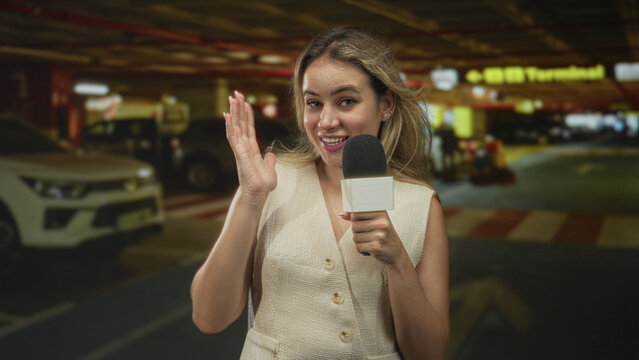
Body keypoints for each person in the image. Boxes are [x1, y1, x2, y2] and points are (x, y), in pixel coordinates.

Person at [191, 27, 449, 360]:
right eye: (314, 103)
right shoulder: (270, 182)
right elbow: (209, 318)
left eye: (346, 101)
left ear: (386, 104)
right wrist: (250, 198)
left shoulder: (421, 205)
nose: (326, 121)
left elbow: (429, 354)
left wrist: (398, 262)